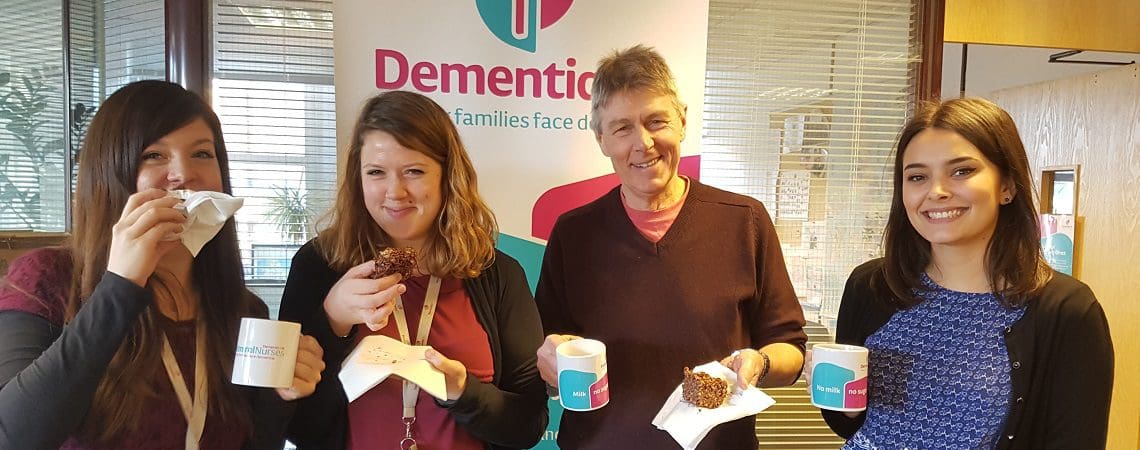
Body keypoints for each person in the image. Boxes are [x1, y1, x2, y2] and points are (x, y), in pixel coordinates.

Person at [0, 80, 324, 449]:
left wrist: (279, 396)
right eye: (153, 155)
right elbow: (13, 436)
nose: (183, 174)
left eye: (202, 154)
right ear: (109, 172)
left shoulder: (240, 310)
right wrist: (121, 283)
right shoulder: (47, 280)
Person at [534, 44, 808, 449]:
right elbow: (547, 341)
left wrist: (761, 363)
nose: (642, 143)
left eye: (656, 121)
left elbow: (791, 350)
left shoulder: (744, 221)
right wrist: (550, 355)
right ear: (601, 139)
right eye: (622, 128)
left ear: (681, 121)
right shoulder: (574, 235)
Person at [821, 97, 1114, 449]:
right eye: (917, 177)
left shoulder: (1065, 310)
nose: (937, 192)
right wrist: (835, 389)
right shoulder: (872, 286)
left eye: (961, 171)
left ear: (1007, 185)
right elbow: (846, 423)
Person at [279, 90, 548, 450]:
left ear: (447, 176)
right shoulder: (319, 266)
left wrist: (462, 392)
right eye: (376, 172)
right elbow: (295, 425)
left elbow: (527, 425)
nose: (395, 191)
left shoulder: (497, 274)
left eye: (414, 171)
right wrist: (333, 321)